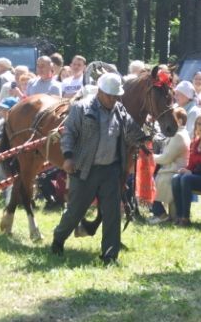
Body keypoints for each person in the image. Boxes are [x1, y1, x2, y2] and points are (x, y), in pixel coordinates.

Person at [50, 73, 144, 264]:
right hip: (85, 169)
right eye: (110, 95)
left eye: (116, 96)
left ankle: (110, 255)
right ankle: (58, 239)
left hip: (110, 170)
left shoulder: (119, 110)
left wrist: (145, 138)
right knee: (75, 211)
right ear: (100, 91)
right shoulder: (81, 108)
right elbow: (68, 135)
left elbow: (132, 130)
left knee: (112, 214)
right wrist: (68, 157)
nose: (113, 99)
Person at [147, 108, 191, 225]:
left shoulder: (179, 136)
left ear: (180, 121)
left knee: (148, 182)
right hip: (169, 170)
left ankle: (160, 214)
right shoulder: (178, 134)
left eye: (173, 119)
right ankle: (159, 213)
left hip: (172, 172)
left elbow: (166, 158)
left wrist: (149, 157)